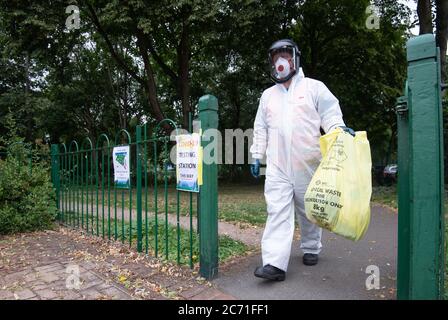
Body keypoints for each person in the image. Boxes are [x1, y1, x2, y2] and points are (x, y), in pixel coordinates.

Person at [250, 39, 355, 281]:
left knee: (308, 208)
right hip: (277, 164)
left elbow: (330, 113)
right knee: (276, 209)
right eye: (276, 58)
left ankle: (310, 247)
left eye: (285, 56)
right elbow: (260, 127)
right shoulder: (267, 96)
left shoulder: (314, 88)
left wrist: (338, 129)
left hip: (308, 161)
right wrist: (257, 154)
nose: (280, 62)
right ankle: (274, 264)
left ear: (295, 59)